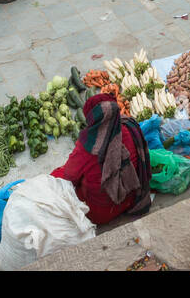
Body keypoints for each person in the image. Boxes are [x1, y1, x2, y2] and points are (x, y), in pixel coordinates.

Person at [52, 93, 152, 224]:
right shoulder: (130, 126)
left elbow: (69, 176)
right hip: (131, 198)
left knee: (58, 176)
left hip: (100, 213)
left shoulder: (88, 147)